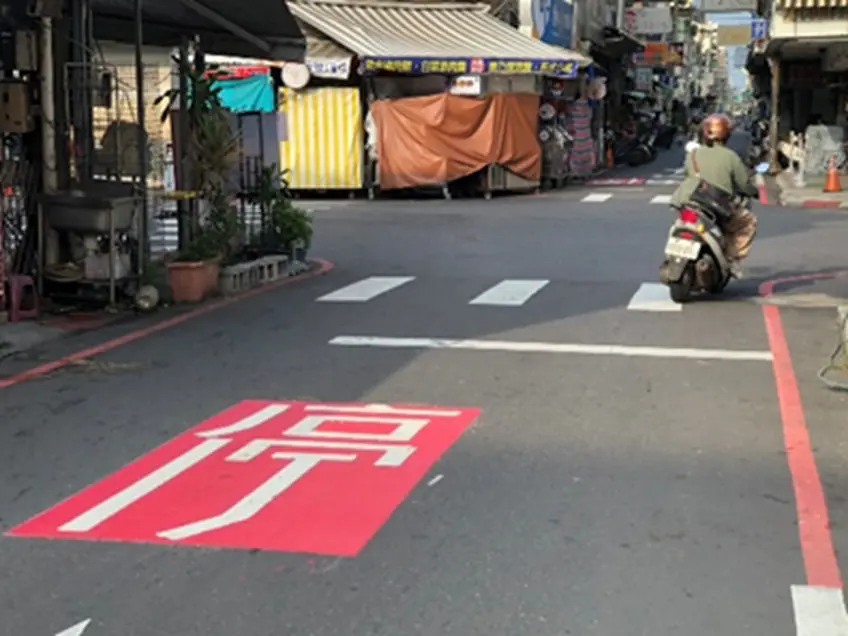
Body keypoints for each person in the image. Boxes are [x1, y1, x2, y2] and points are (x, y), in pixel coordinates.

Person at [671, 113, 759, 277]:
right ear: (727, 134)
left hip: (687, 200)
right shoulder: (731, 157)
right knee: (748, 222)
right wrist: (753, 191)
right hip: (715, 204)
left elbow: (687, 173)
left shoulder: (693, 154)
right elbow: (744, 184)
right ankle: (732, 259)